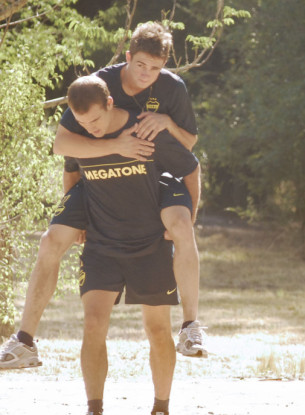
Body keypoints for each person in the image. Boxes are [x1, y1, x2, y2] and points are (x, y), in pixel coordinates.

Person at [0, 22, 206, 370]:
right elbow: (63, 144)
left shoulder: (171, 87)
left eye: (155, 68)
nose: (146, 74)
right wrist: (78, 208)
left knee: (182, 225)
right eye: (140, 65)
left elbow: (188, 149)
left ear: (164, 66)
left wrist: (166, 122)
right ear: (128, 56)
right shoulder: (97, 86)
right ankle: (24, 341)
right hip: (95, 178)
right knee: (51, 240)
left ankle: (191, 326)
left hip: (153, 172)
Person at [65, 75, 199, 414]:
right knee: (94, 323)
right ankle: (94, 408)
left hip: (149, 245)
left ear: (110, 104)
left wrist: (189, 218)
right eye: (82, 122)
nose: (90, 127)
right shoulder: (79, 138)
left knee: (157, 329)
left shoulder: (145, 131)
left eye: (95, 119)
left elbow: (190, 167)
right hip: (100, 245)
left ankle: (161, 407)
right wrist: (74, 213)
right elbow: (71, 172)